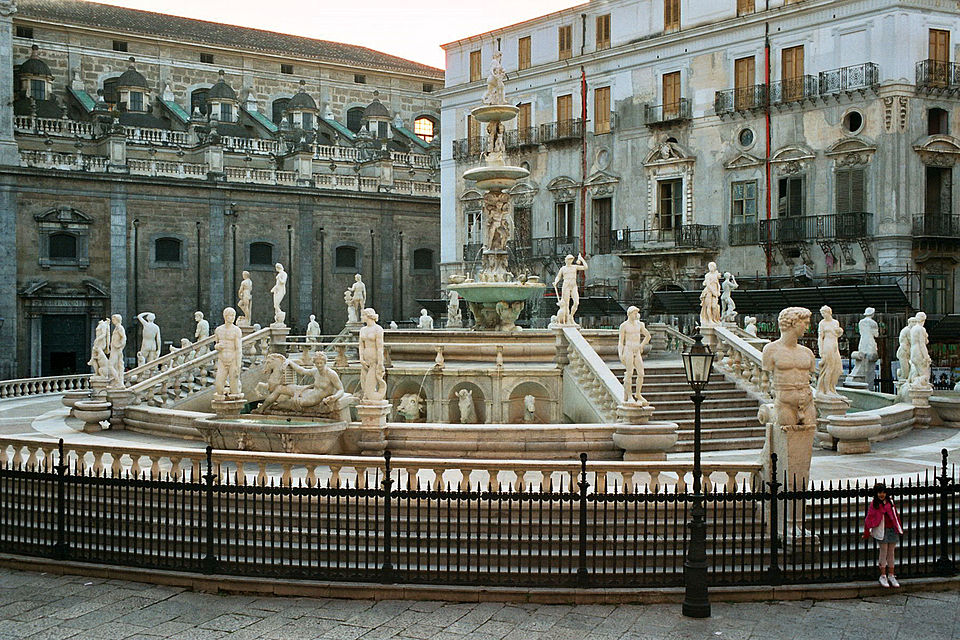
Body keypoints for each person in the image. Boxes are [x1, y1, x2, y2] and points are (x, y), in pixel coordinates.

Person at [862, 482, 904, 588]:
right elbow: (869, 518)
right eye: (879, 492)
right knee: (883, 551)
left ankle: (891, 574)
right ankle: (883, 575)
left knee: (891, 552)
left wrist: (899, 528)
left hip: (892, 529)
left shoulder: (890, 502)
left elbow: (895, 516)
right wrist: (866, 532)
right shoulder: (874, 504)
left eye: (883, 492)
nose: (882, 495)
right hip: (881, 530)